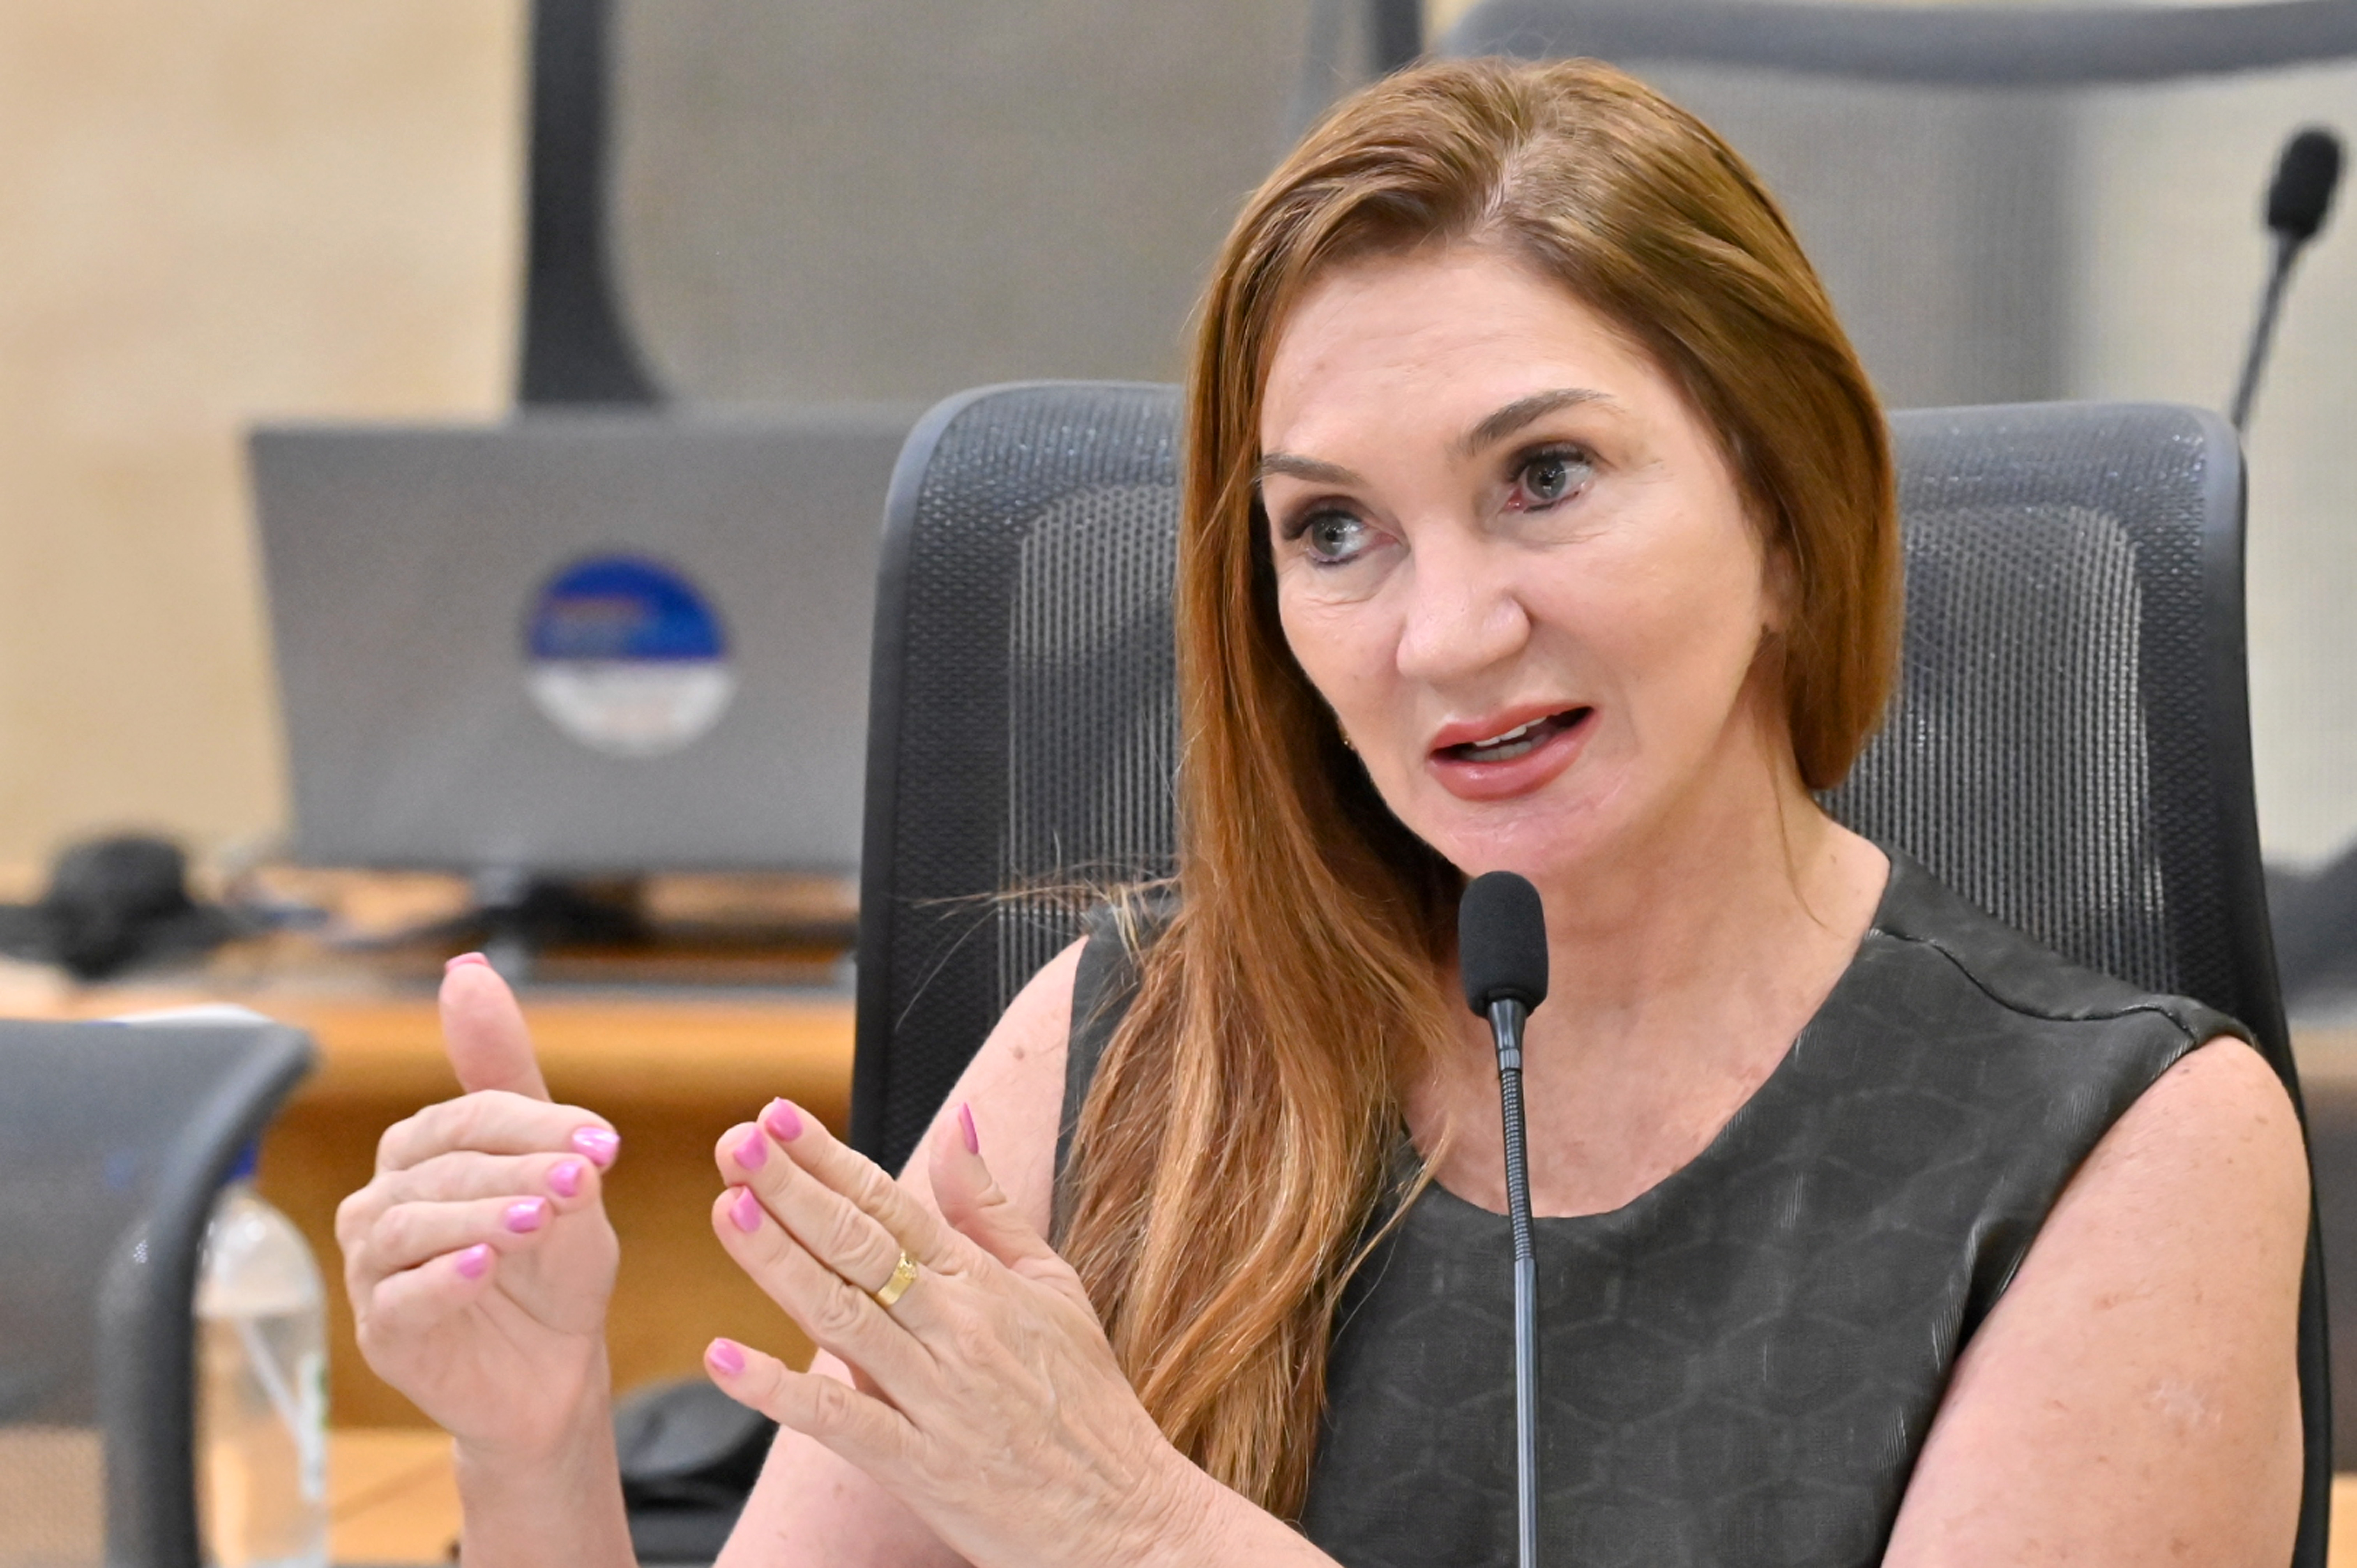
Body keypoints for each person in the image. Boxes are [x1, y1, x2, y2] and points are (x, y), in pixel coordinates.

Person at [335, 57, 2309, 1568]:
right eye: (1334, 530)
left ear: (1785, 516)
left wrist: (1133, 1528)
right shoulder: (1132, 1050)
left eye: (1546, 477)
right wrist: (533, 1446)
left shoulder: (2130, 1144)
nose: (1447, 633)